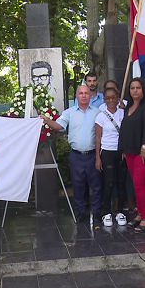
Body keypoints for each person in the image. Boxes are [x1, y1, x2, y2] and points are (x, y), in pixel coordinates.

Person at [45, 85, 103, 223]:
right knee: (78, 185)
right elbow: (59, 126)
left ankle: (96, 212)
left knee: (96, 185)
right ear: (76, 95)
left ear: (90, 96)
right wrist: (47, 121)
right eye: (81, 93)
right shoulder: (69, 113)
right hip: (76, 156)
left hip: (93, 155)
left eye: (86, 93)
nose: (83, 96)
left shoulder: (97, 112)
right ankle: (81, 212)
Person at [119, 78, 145, 233]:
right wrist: (123, 149)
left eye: (138, 88)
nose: (135, 91)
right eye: (132, 88)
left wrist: (144, 147)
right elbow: (125, 129)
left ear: (143, 90)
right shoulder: (128, 106)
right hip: (129, 151)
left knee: (140, 184)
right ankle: (140, 214)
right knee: (135, 185)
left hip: (143, 152)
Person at [95, 87, 127, 227]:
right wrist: (97, 157)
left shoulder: (124, 113)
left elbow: (127, 133)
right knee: (108, 183)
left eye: (113, 97)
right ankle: (107, 212)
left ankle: (120, 211)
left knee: (121, 183)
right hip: (107, 151)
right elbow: (97, 137)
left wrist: (126, 150)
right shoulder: (101, 116)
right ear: (104, 100)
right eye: (108, 98)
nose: (111, 100)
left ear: (117, 97)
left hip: (121, 152)